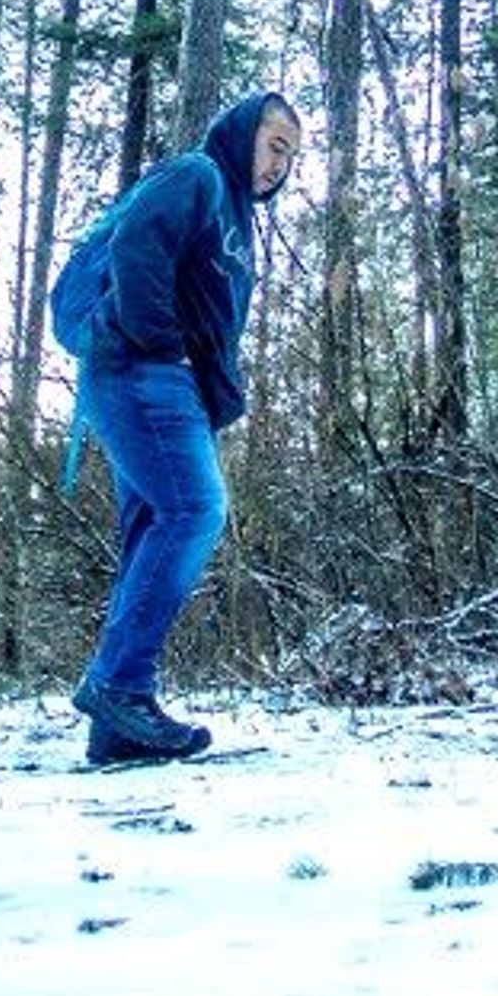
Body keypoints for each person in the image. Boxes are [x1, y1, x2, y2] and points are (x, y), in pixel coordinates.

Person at [58, 90, 301, 766]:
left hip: (168, 378)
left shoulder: (237, 220)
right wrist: (158, 346)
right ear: (242, 133)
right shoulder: (195, 175)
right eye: (275, 145)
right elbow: (140, 246)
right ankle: (115, 686)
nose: (281, 165)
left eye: (292, 158)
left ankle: (118, 727)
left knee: (150, 529)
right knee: (195, 509)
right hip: (139, 366)